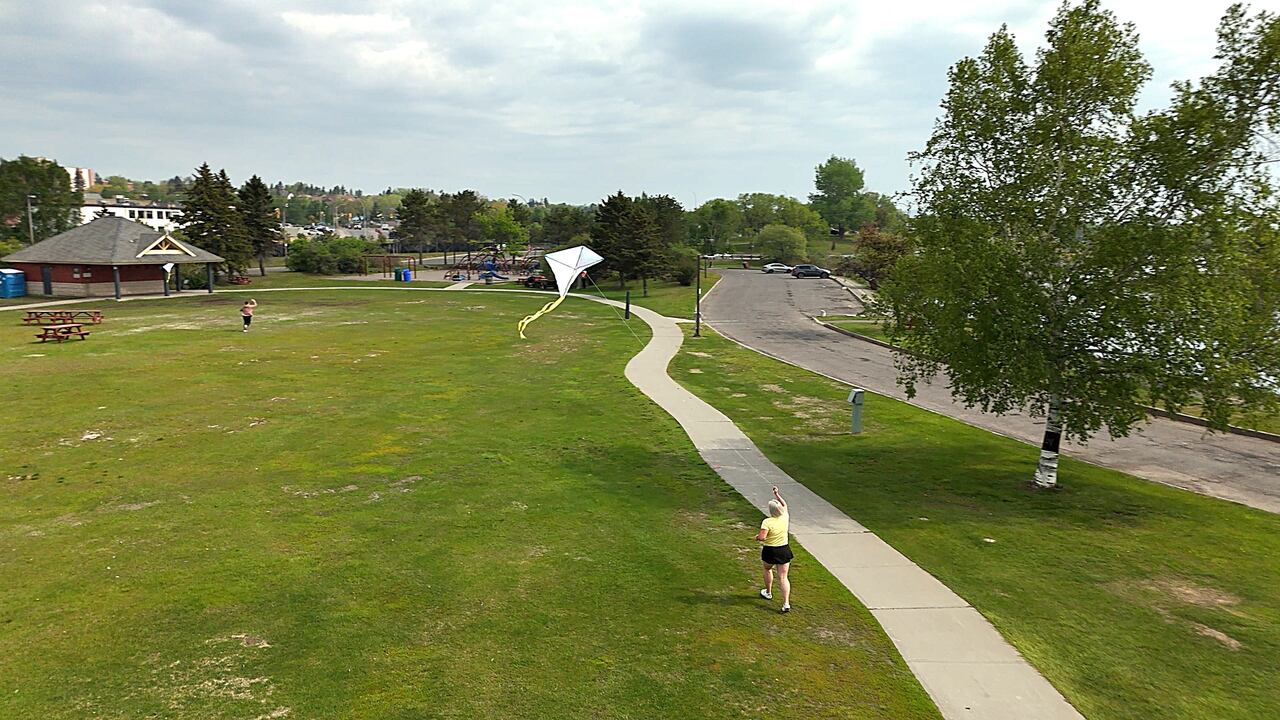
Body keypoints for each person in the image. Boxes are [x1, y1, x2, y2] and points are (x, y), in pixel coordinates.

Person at [755, 486, 792, 613]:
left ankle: (768, 592)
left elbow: (762, 537)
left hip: (770, 550)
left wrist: (757, 538)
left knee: (767, 568)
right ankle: (786, 603)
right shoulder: (785, 517)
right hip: (784, 550)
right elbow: (784, 504)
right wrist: (777, 494)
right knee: (783, 577)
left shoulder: (767, 522)